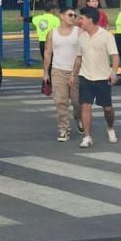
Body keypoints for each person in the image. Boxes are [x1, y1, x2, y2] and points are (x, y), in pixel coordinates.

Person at [76, 6, 120, 147]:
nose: (79, 21)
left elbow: (114, 56)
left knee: (107, 108)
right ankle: (87, 137)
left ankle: (110, 127)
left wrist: (113, 72)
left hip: (102, 77)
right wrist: (73, 74)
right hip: (85, 76)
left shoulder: (107, 36)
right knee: (85, 106)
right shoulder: (81, 37)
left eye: (81, 18)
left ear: (90, 19)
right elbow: (78, 57)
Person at [41, 8, 81, 143]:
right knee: (60, 102)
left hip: (76, 72)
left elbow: (83, 53)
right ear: (62, 16)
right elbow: (48, 52)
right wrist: (46, 72)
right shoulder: (52, 33)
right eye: (70, 15)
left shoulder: (78, 32)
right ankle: (64, 129)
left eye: (74, 15)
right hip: (58, 71)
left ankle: (78, 117)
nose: (73, 17)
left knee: (77, 102)